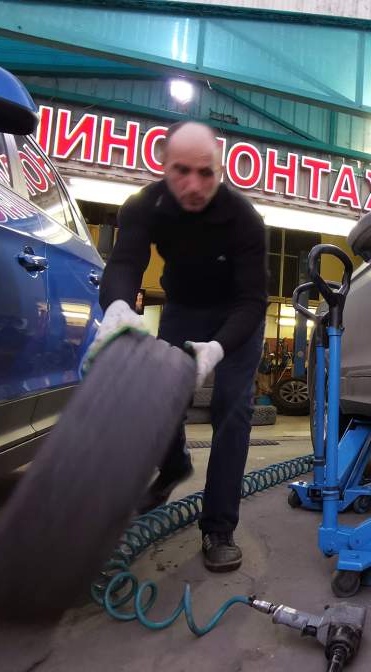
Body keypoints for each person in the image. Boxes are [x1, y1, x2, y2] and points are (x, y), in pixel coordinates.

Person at [95, 121, 267, 572]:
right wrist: (116, 305)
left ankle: (218, 527)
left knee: (233, 409)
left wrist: (218, 347)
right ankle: (173, 467)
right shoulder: (145, 205)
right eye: (182, 171)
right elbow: (127, 260)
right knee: (160, 399)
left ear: (221, 169)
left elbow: (253, 300)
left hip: (237, 317)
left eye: (206, 173)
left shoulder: (245, 220)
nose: (194, 185)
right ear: (163, 166)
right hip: (183, 307)